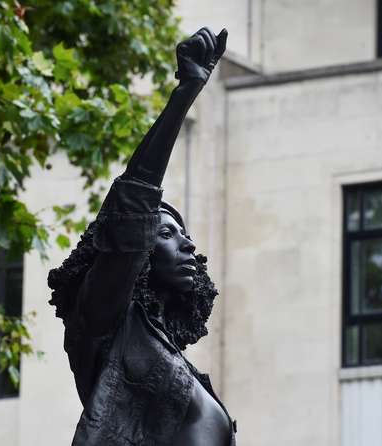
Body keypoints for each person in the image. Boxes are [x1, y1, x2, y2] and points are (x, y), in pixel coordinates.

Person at [47, 27, 235, 445]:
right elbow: (135, 198)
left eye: (183, 234)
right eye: (166, 233)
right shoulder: (106, 320)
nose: (188, 245)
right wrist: (185, 92)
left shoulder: (175, 361)